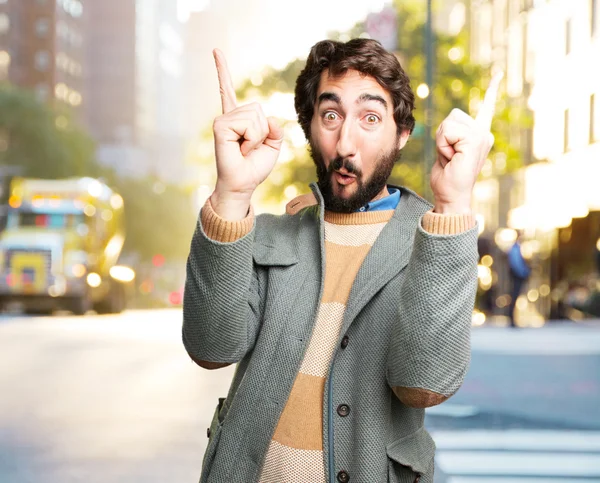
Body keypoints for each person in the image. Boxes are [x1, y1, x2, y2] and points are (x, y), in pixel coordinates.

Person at [183, 38, 501, 483]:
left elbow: (424, 384)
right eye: (330, 115)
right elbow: (210, 348)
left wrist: (452, 205)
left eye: (371, 118)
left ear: (402, 134)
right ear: (309, 126)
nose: (345, 142)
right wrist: (231, 195)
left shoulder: (435, 241)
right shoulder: (269, 233)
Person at [506, 232, 531, 327]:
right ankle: (511, 319)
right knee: (514, 296)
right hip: (517, 276)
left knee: (515, 296)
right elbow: (516, 264)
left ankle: (512, 319)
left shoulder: (517, 248)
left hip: (517, 275)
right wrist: (524, 273)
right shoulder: (515, 249)